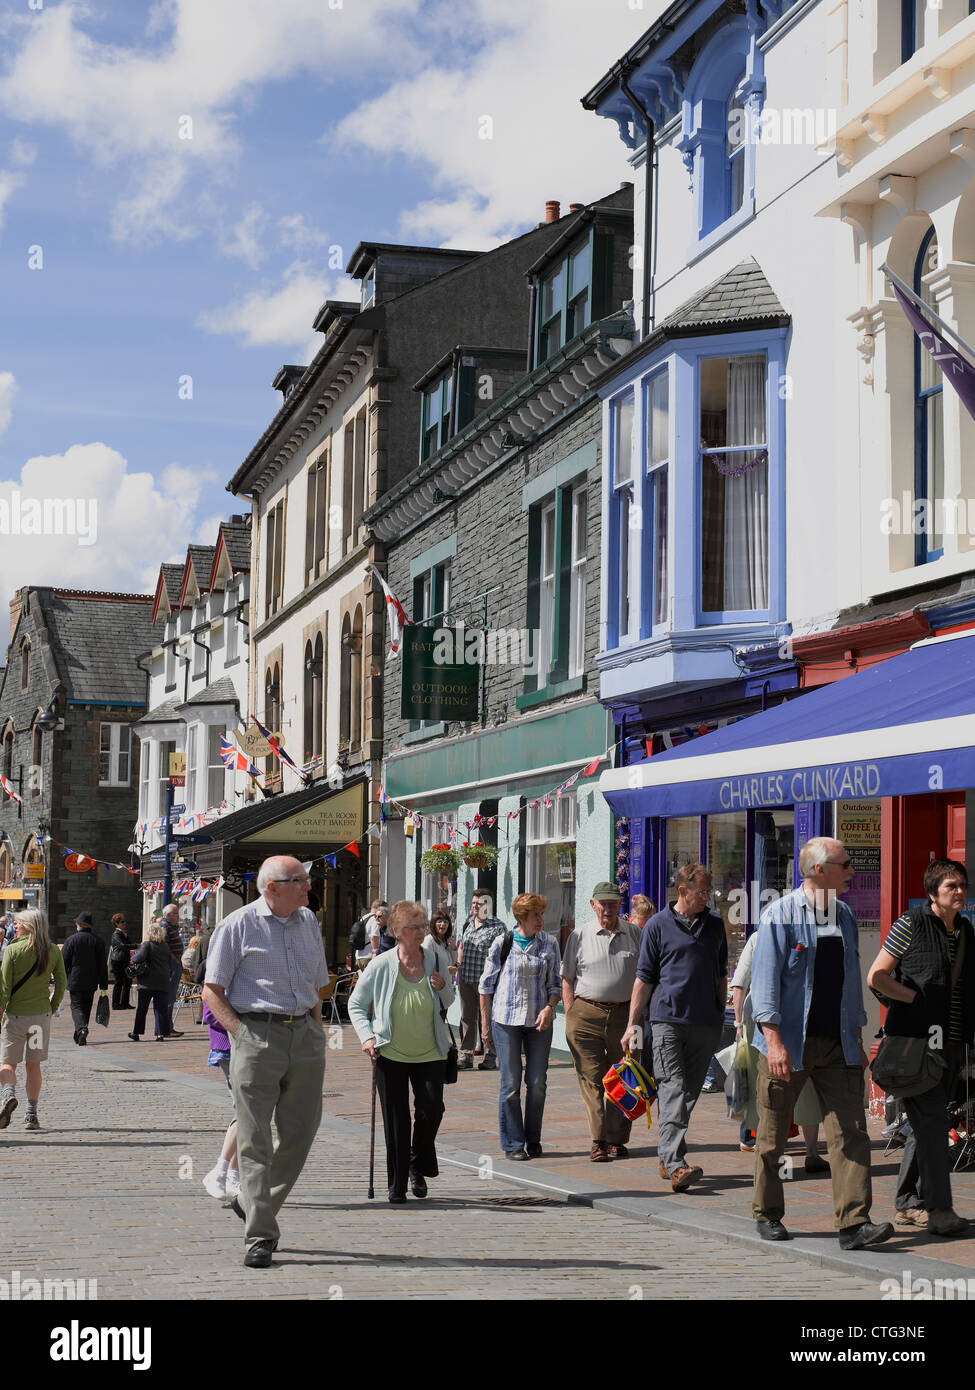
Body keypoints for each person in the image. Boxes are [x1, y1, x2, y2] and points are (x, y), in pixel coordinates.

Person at [749, 836, 893, 1250]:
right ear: (818, 870)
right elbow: (765, 986)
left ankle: (854, 1224)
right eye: (844, 864)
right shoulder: (779, 915)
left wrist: (861, 1034)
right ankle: (768, 1213)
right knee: (774, 1136)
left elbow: (849, 982)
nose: (852, 871)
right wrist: (774, 1043)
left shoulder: (845, 915)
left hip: (840, 1043)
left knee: (850, 1132)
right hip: (788, 1043)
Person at [202, 856, 328, 1269]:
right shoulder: (237, 925)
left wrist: (317, 1030)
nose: (308, 887)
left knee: (301, 1133)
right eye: (299, 881)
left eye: (307, 880)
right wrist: (242, 1034)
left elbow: (315, 983)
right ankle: (260, 1235)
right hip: (258, 1034)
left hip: (304, 1036)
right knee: (255, 1140)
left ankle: (252, 1201)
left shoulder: (308, 920)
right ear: (271, 887)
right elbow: (211, 990)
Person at [867, 858, 974, 1237]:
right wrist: (912, 998)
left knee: (928, 1123)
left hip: (953, 1043)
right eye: (951, 886)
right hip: (916, 1044)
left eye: (962, 884)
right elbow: (876, 976)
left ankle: (908, 1203)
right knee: (930, 1122)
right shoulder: (910, 924)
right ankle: (940, 1209)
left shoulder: (964, 930)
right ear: (933, 893)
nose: (959, 891)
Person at [623, 863, 727, 1191]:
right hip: (666, 1020)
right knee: (673, 1088)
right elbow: (644, 979)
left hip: (705, 1022)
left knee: (690, 1094)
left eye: (710, 892)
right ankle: (677, 1165)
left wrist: (720, 1012)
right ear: (682, 891)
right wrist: (632, 1025)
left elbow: (721, 973)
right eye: (702, 892)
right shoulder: (656, 926)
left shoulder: (714, 926)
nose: (707, 898)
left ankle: (667, 1153)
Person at [348, 900, 454, 1202]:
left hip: (431, 1050)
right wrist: (367, 1037)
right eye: (413, 927)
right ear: (396, 930)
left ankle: (415, 1163)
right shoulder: (381, 964)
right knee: (396, 1119)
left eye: (422, 926)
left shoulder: (434, 959)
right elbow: (355, 1004)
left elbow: (449, 999)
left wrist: (442, 985)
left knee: (431, 1110)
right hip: (389, 1051)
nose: (420, 932)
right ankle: (397, 1186)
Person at [562, 881, 642, 1162]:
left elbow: (644, 979)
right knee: (592, 1079)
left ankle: (617, 1140)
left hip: (625, 1017)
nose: (608, 908)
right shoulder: (579, 935)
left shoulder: (634, 933)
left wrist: (637, 1018)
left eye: (613, 903)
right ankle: (598, 1140)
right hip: (586, 1015)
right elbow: (567, 978)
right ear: (593, 904)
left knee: (624, 1076)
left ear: (621, 906)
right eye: (603, 903)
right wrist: (571, 1013)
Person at [730, 929, 824, 1161]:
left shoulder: (758, 938)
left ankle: (769, 1149)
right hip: (801, 1017)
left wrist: (740, 1024)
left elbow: (740, 986)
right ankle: (811, 1152)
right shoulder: (810, 936)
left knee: (765, 1087)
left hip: (762, 1022)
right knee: (807, 1086)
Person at [479, 893, 561, 1160]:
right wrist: (485, 1025)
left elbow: (555, 984)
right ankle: (513, 1143)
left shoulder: (549, 943)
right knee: (510, 1083)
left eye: (541, 914)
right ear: (522, 916)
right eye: (536, 914)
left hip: (539, 1022)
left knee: (537, 1082)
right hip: (506, 1020)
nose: (541, 919)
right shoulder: (502, 943)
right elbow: (486, 986)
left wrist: (550, 1007)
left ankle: (533, 1138)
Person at [0, 909, 66, 1131]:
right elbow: (61, 983)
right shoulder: (52, 951)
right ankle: (31, 1114)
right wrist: (52, 1006)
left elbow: (4, 988)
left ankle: (8, 1094)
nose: (15, 927)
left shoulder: (13, 950)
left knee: (8, 1062)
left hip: (15, 1017)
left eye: (18, 923)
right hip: (39, 1019)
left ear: (29, 925)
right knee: (33, 1064)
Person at [456, 891, 505, 1070]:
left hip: (487, 982)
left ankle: (490, 1056)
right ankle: (466, 1055)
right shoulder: (467, 923)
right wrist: (458, 964)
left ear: (488, 905)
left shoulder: (497, 926)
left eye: (480, 903)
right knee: (467, 1018)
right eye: (474, 902)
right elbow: (461, 946)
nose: (475, 906)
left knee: (488, 1018)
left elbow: (503, 954)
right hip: (466, 978)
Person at [201, 992, 240, 1204]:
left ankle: (231, 1175)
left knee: (252, 1112)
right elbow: (211, 1011)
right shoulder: (222, 964)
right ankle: (222, 1170)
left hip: (253, 1045)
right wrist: (244, 1028)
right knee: (246, 1110)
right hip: (229, 1045)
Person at [61, 911, 109, 1046]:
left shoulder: (71, 940)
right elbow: (102, 964)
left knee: (76, 1006)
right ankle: (80, 1033)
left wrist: (60, 978)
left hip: (75, 979)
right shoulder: (97, 941)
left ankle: (82, 1029)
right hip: (91, 980)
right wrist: (104, 984)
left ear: (80, 925)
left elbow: (63, 962)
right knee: (86, 1006)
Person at [127, 922, 175, 1041]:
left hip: (147, 982)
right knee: (160, 1009)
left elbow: (138, 958)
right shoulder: (165, 946)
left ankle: (136, 1032)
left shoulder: (147, 945)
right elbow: (169, 962)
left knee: (142, 1008)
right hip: (163, 980)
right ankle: (160, 1034)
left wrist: (133, 957)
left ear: (149, 933)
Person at [423, 911, 458, 979]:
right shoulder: (429, 941)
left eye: (445, 922)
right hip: (435, 986)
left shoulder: (446, 941)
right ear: (434, 924)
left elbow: (453, 963)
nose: (443, 924)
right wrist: (446, 970)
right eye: (439, 921)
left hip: (447, 985)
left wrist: (453, 948)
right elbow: (426, 965)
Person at [109, 914, 133, 1010]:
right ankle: (115, 1004)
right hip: (118, 960)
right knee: (119, 982)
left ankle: (125, 1003)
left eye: (125, 921)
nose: (124, 923)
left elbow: (128, 944)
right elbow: (122, 945)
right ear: (117, 924)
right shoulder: (116, 934)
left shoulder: (124, 933)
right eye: (122, 922)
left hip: (125, 959)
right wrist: (136, 946)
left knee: (128, 982)